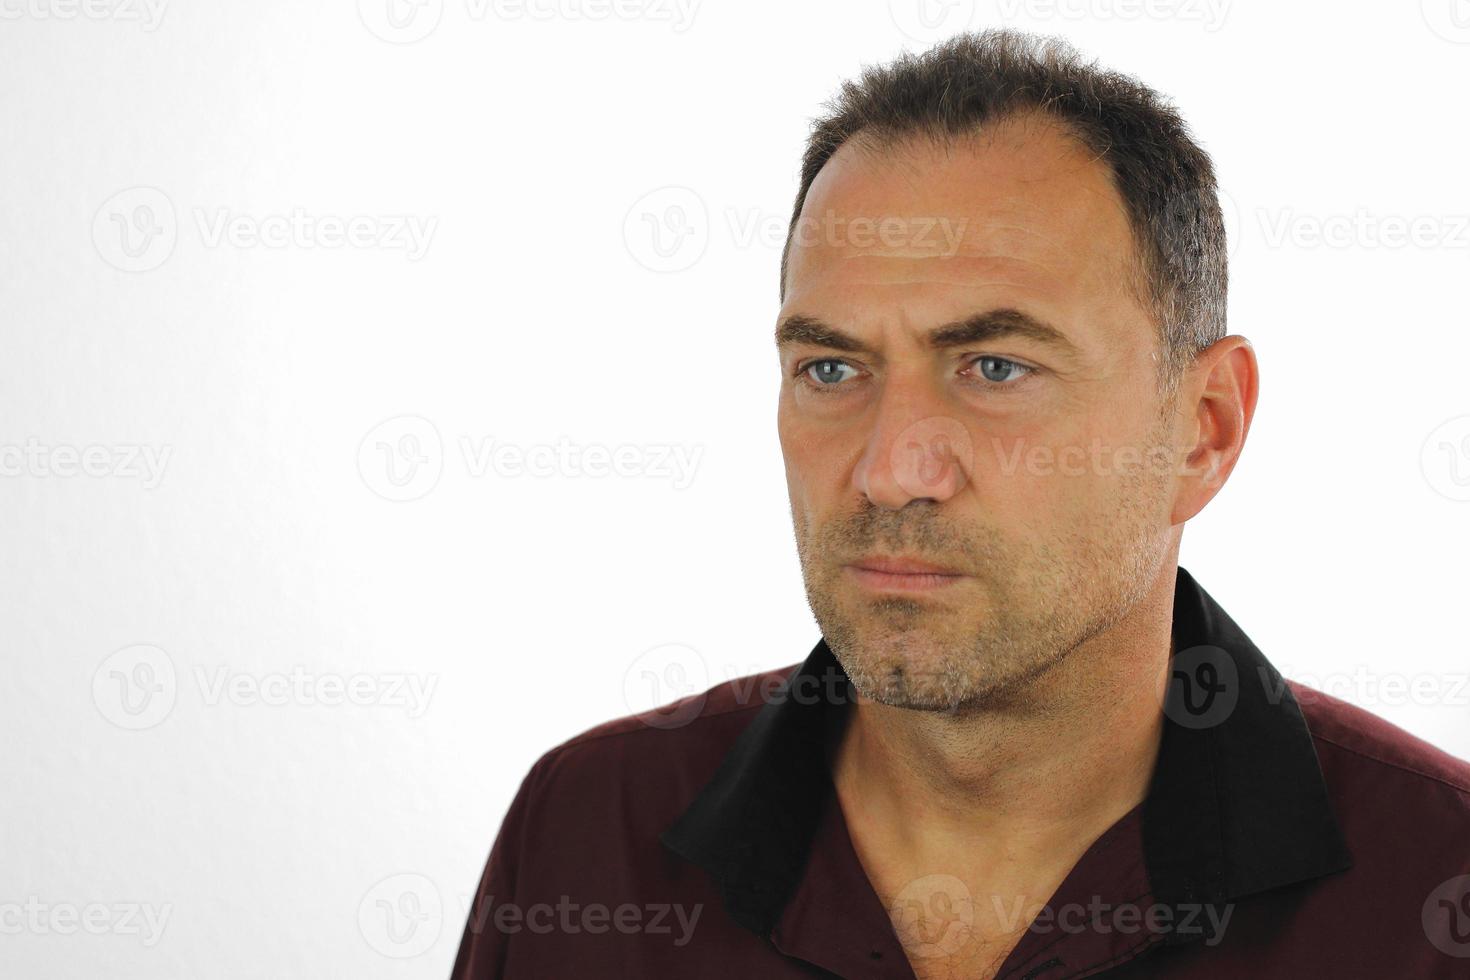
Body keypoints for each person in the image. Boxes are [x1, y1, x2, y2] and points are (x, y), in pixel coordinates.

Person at [451, 29, 1470, 978]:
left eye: (993, 365)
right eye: (832, 368)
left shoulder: (1433, 884)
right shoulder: (590, 837)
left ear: (1202, 426)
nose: (892, 469)